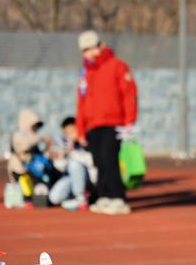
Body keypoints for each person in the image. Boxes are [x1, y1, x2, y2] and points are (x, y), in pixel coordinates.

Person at [75, 30, 138, 216]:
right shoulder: (86, 73)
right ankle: (103, 196)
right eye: (84, 50)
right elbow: (81, 102)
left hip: (114, 123)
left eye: (90, 48)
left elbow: (129, 94)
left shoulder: (118, 66)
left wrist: (129, 121)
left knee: (110, 159)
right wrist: (80, 129)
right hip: (93, 125)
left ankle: (118, 198)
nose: (88, 53)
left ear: (100, 46)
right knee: (99, 162)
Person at [49, 117, 94, 212]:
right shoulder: (66, 145)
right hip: (71, 179)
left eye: (72, 131)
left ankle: (81, 198)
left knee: (75, 165)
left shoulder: (88, 142)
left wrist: (73, 153)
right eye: (67, 133)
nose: (70, 135)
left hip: (89, 179)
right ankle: (75, 199)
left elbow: (91, 162)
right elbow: (61, 168)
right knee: (54, 198)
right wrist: (61, 158)